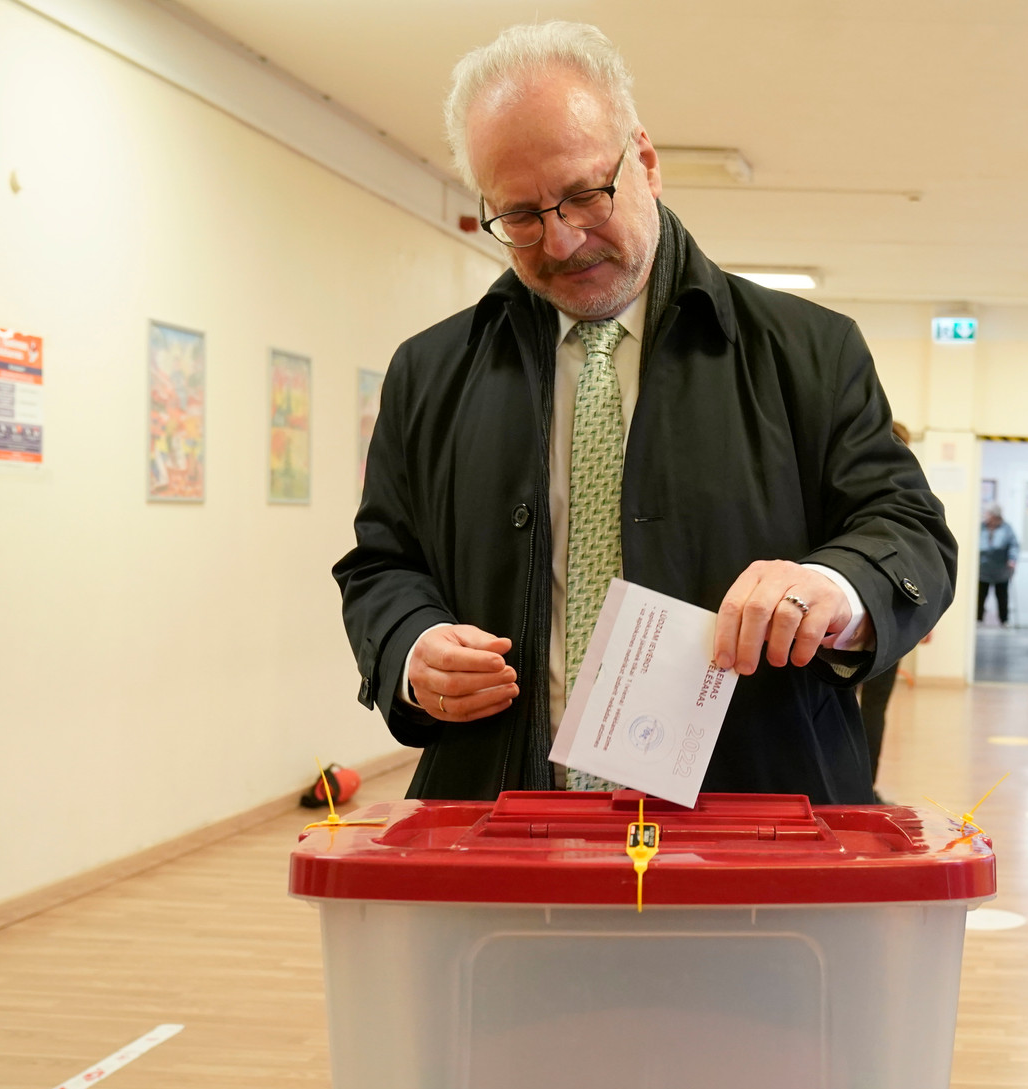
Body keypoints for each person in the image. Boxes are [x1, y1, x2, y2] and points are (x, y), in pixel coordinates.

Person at [334, 22, 952, 801]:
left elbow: (909, 532)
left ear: (646, 163)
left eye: (585, 195)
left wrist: (835, 588)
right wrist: (410, 645)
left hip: (751, 821)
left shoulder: (808, 352)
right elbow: (381, 563)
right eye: (520, 216)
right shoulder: (429, 372)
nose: (561, 241)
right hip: (502, 821)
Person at [856, 423, 918, 795]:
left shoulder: (849, 485)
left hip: (876, 615)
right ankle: (865, 787)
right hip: (887, 615)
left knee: (851, 707)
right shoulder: (909, 492)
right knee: (874, 707)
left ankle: (858, 786)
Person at [976, 506, 1019, 625]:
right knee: (980, 596)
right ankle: (978, 618)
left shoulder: (1006, 528)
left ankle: (1004, 620)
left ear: (995, 516)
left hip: (1001, 569)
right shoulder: (980, 527)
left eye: (988, 515)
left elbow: (1013, 545)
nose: (986, 517)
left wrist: (1012, 559)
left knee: (1002, 596)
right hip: (983, 569)